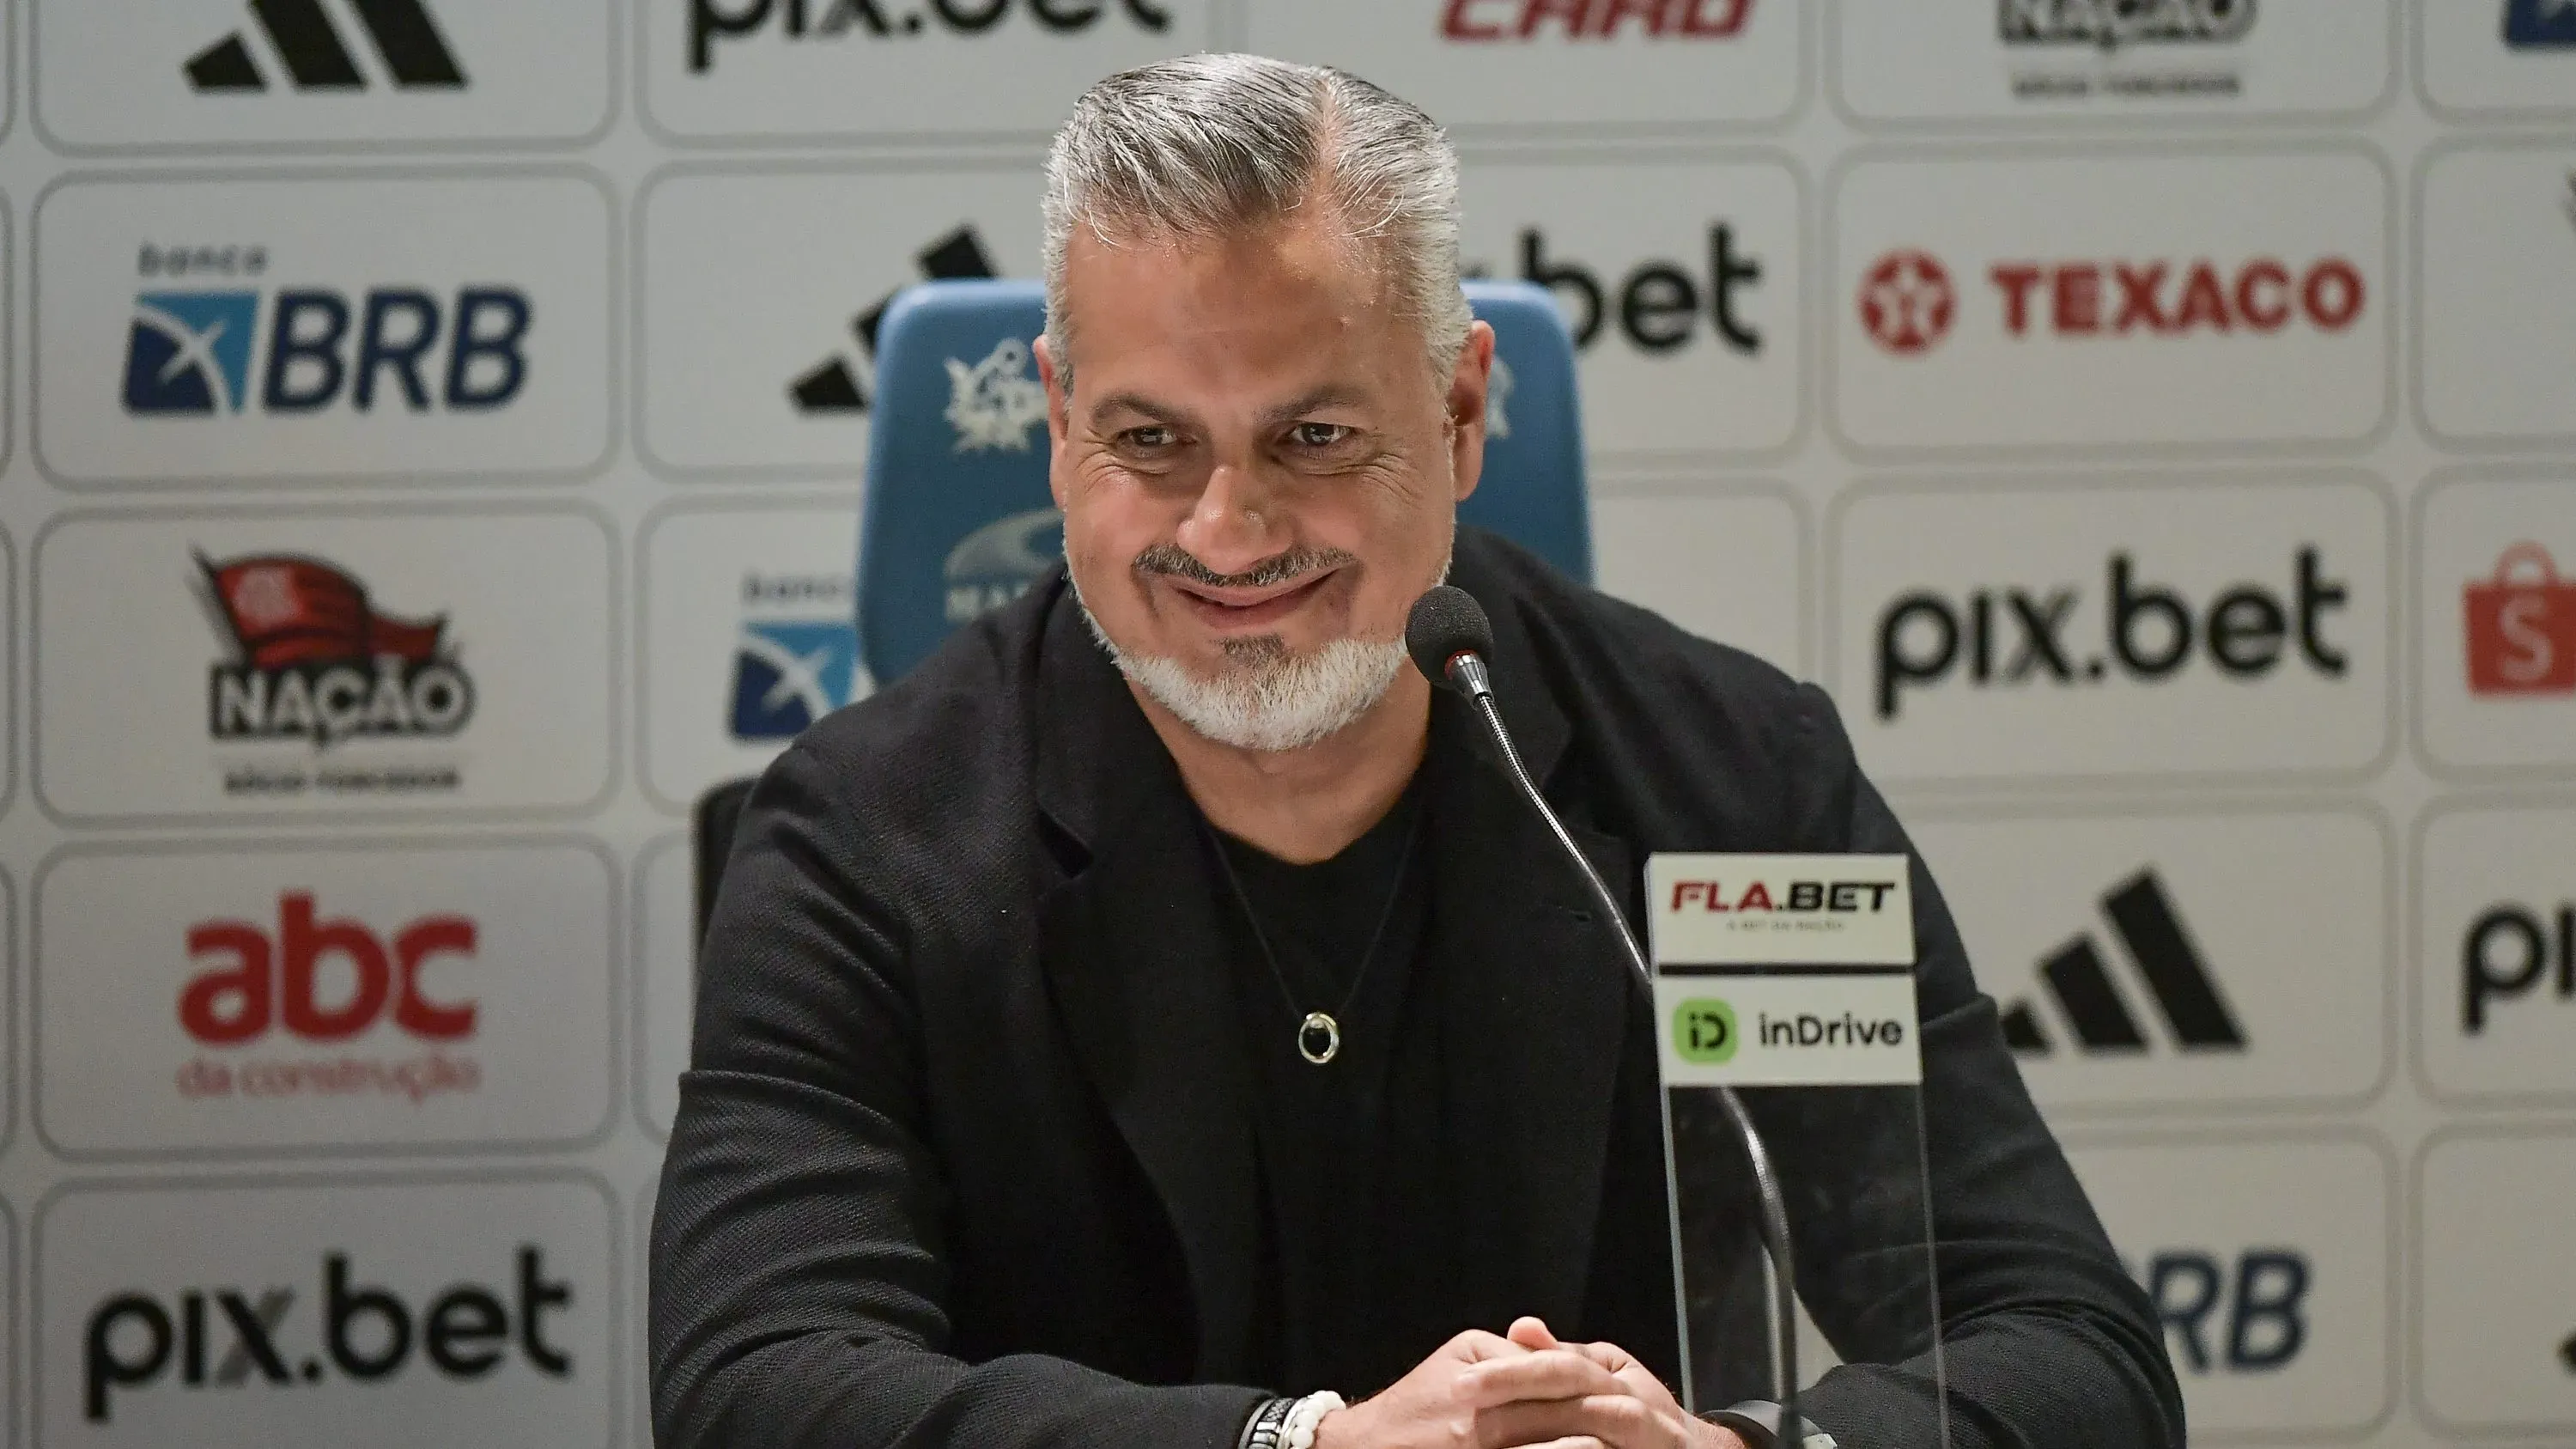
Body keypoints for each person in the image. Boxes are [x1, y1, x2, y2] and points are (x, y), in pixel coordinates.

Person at [651, 54, 2183, 1449]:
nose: (1226, 531)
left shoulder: (1728, 790)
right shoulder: (867, 840)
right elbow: (756, 1384)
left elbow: (2068, 1353)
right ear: (1057, 423)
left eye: (1312, 438)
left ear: (1459, 412)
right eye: (1151, 440)